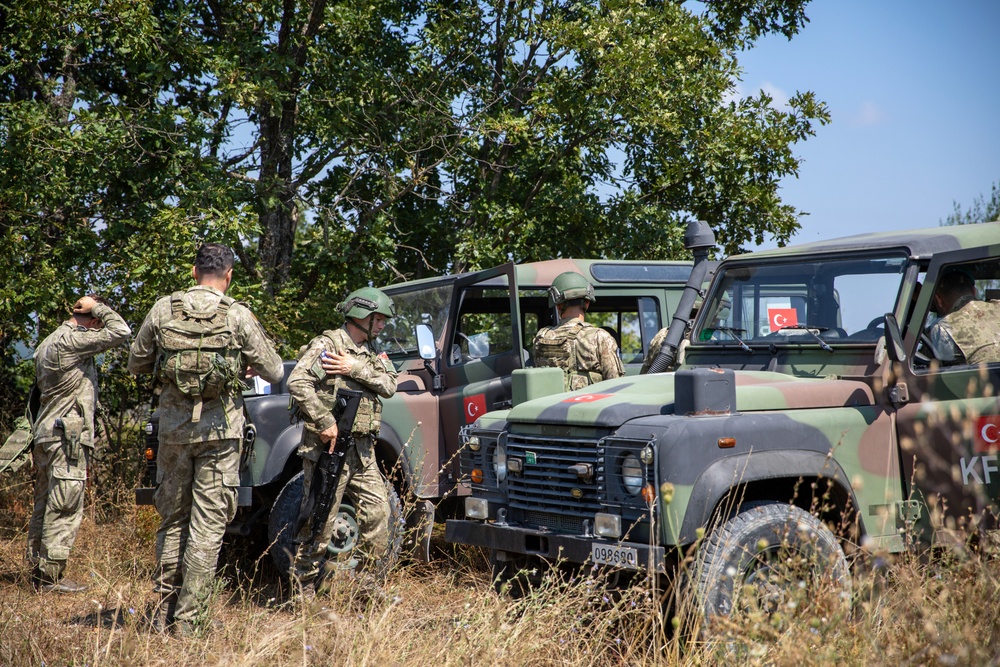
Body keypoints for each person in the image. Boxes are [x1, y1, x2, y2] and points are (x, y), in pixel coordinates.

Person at [128, 243, 283, 635]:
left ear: (194, 271)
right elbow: (276, 369)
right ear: (228, 276)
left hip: (174, 433)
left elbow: (136, 362)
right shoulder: (237, 314)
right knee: (208, 526)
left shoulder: (164, 308)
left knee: (173, 520)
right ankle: (190, 621)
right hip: (220, 434)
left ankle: (164, 612)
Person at [288, 287, 398, 596]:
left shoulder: (372, 353)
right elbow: (298, 382)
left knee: (379, 514)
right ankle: (304, 585)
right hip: (329, 450)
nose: (381, 326)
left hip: (363, 451)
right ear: (361, 316)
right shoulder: (327, 345)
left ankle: (367, 586)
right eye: (378, 319)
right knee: (320, 519)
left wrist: (354, 368)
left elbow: (389, 385)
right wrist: (324, 421)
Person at [27, 294, 131, 593]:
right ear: (94, 319)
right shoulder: (71, 340)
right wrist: (97, 307)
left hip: (47, 433)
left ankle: (37, 569)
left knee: (45, 502)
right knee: (64, 504)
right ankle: (50, 577)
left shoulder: (49, 340)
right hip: (65, 436)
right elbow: (121, 332)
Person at [532, 271, 623, 390]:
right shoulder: (600, 337)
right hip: (588, 407)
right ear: (587, 303)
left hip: (549, 408)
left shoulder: (541, 337)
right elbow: (616, 386)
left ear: (558, 306)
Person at [927, 268, 1000, 365]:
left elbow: (916, 365)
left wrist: (913, 305)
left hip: (982, 379)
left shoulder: (942, 329)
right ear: (974, 291)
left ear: (938, 300)